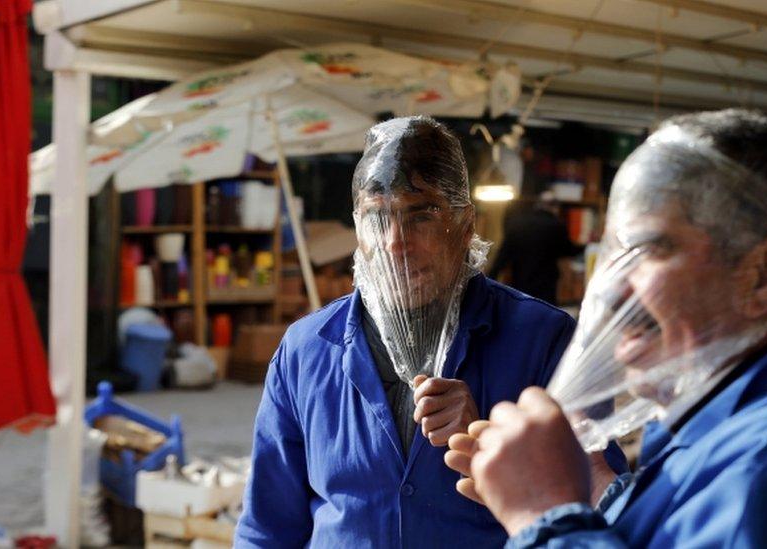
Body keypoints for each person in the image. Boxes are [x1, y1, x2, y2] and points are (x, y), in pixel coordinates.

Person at [445, 109, 767, 547]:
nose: (607, 291)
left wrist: (545, 518)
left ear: (765, 275)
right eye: (614, 255)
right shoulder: (742, 428)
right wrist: (592, 491)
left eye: (645, 250)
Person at [234, 116, 598, 548]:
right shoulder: (306, 351)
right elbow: (266, 530)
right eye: (376, 218)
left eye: (420, 215)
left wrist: (486, 439)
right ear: (357, 229)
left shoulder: (545, 341)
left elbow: (599, 506)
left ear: (465, 226)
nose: (394, 242)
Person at [488, 191, 583, 304]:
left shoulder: (518, 224)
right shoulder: (557, 226)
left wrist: (490, 280)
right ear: (555, 208)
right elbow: (568, 251)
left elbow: (501, 258)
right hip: (545, 288)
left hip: (520, 285)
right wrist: (586, 247)